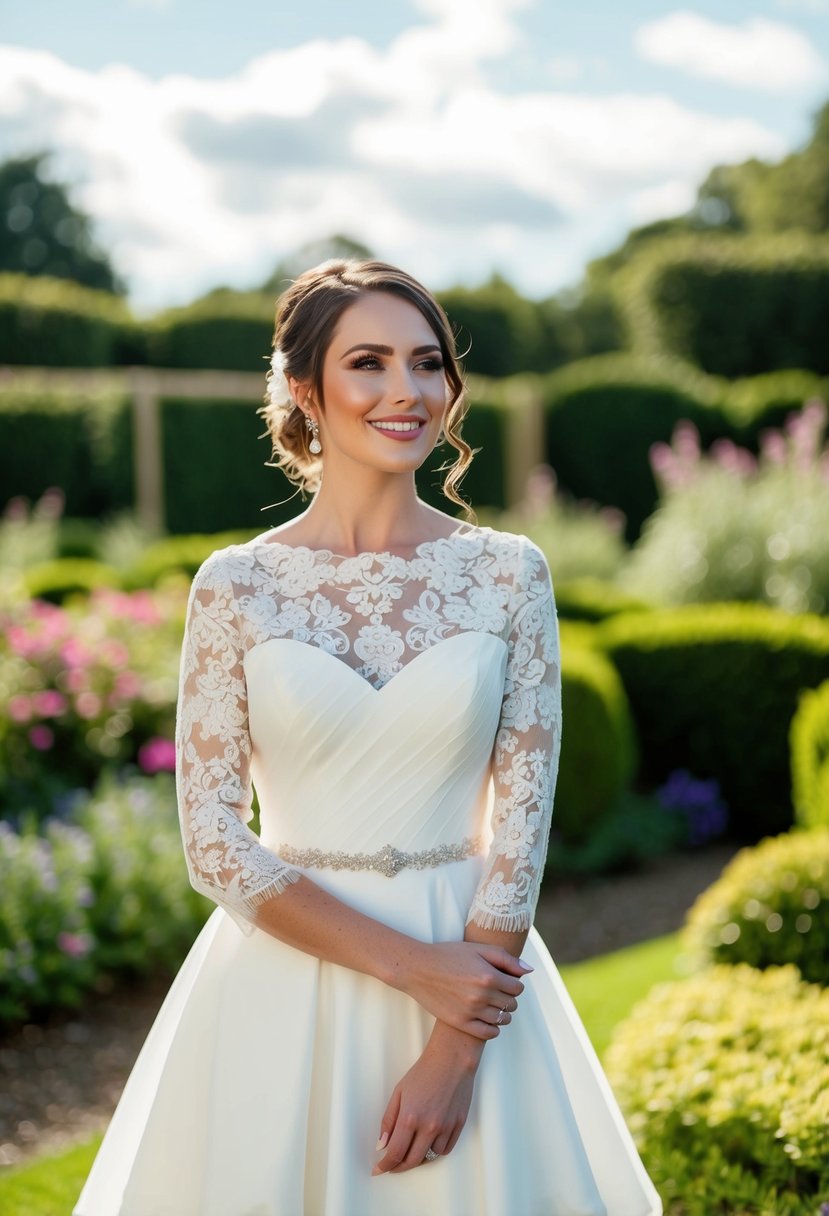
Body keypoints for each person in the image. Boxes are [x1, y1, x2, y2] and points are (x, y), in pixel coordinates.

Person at [74, 259, 662, 1215]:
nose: (407, 391)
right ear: (305, 390)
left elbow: (520, 833)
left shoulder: (510, 575)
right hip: (283, 978)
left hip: (473, 970)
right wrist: (413, 969)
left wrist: (456, 1043)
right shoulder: (233, 586)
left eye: (427, 364)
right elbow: (213, 844)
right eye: (369, 363)